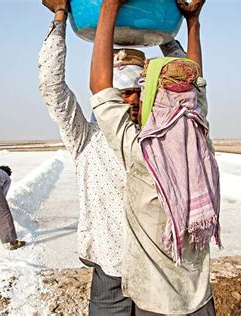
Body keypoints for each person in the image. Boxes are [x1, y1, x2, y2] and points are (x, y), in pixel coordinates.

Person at [38, 1, 191, 314]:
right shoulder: (86, 138)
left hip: (160, 270)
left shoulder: (160, 137)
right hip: (111, 272)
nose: (131, 101)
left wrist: (167, 30)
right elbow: (52, 87)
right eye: (122, 92)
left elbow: (187, 87)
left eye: (138, 91)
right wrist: (60, 18)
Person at [89, 0, 220, 314]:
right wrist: (192, 22)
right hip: (199, 299)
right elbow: (193, 82)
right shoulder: (198, 138)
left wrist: (109, 7)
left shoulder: (140, 152)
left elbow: (100, 88)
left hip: (156, 303)